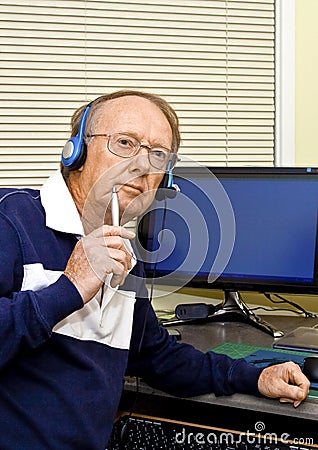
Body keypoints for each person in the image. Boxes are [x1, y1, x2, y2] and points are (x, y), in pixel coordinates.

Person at [0, 90, 309, 449]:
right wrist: (69, 288)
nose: (141, 166)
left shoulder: (121, 254)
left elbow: (159, 358)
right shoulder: (11, 220)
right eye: (125, 143)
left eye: (157, 154)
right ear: (77, 152)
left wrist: (254, 377)